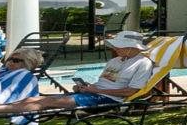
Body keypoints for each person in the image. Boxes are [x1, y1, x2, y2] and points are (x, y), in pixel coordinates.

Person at [16, 31, 156, 113]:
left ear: (132, 47)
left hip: (108, 100)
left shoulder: (143, 63)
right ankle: (1, 108)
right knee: (37, 99)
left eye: (120, 46)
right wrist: (86, 87)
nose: (115, 48)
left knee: (46, 102)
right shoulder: (115, 61)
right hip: (94, 94)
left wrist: (97, 91)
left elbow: (131, 91)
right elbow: (104, 82)